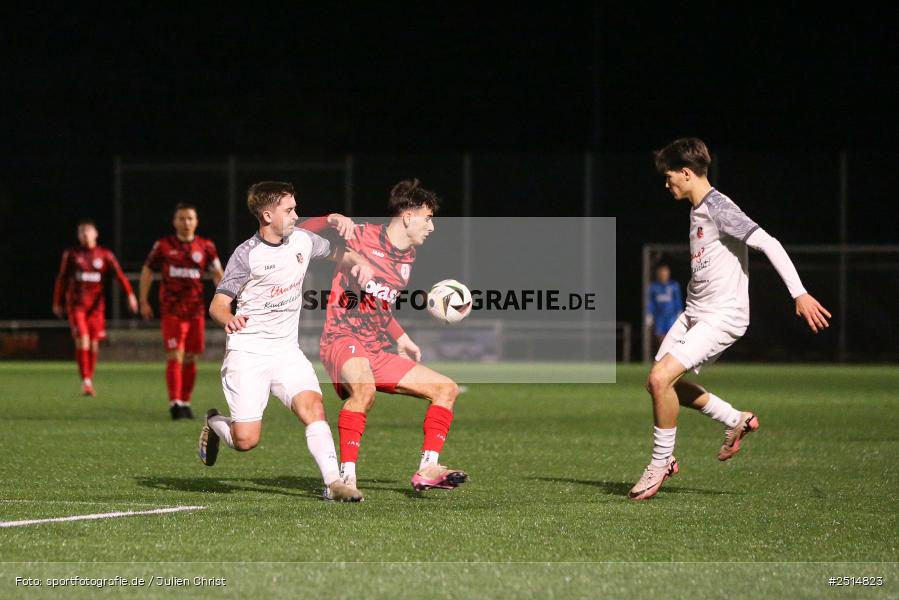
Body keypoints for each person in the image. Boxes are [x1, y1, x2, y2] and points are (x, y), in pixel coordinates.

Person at [628, 138, 831, 501]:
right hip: (695, 313)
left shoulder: (718, 207)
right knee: (657, 384)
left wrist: (798, 293)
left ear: (686, 173)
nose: (666, 183)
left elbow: (768, 242)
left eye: (669, 175)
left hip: (722, 316)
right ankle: (734, 419)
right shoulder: (697, 208)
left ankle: (660, 464)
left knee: (661, 379)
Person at [197, 181, 373, 502]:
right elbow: (217, 304)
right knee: (246, 441)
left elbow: (337, 253)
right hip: (248, 353)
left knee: (313, 408)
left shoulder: (303, 241)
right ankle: (214, 422)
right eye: (289, 210)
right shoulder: (246, 255)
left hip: (286, 352)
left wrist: (359, 263)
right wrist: (229, 318)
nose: (296, 215)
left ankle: (334, 483)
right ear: (267, 215)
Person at [308, 179, 467, 495]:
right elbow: (298, 236)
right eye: (428, 217)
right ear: (408, 216)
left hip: (375, 347)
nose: (431, 227)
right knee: (365, 392)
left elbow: (379, 307)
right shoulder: (361, 235)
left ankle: (427, 468)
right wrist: (330, 219)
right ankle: (345, 479)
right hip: (342, 337)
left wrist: (402, 336)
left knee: (446, 390)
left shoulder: (406, 260)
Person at [139, 204, 223, 420]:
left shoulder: (206, 247)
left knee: (191, 357)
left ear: (196, 221)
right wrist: (143, 300)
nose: (186, 222)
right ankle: (175, 402)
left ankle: (186, 402)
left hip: (195, 310)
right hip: (172, 310)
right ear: (174, 221)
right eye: (181, 218)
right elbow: (148, 271)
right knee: (175, 355)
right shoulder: (163, 246)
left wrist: (223, 299)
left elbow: (218, 274)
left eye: (189, 218)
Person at [52, 219, 139, 396]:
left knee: (93, 345)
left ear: (95, 234)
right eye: (81, 232)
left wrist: (130, 294)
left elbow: (120, 276)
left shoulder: (105, 255)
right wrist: (57, 301)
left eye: (88, 231)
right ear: (78, 236)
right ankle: (86, 382)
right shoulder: (72, 254)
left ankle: (89, 380)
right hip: (77, 305)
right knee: (83, 338)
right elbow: (61, 278)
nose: (85, 234)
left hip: (96, 308)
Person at [646, 262, 683, 354]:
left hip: (672, 317)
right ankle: (662, 356)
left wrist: (679, 312)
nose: (664, 274)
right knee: (661, 339)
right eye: (662, 272)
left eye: (665, 272)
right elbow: (650, 302)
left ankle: (673, 357)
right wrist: (649, 314)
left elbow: (677, 299)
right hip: (659, 317)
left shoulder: (674, 285)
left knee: (672, 338)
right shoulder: (653, 287)